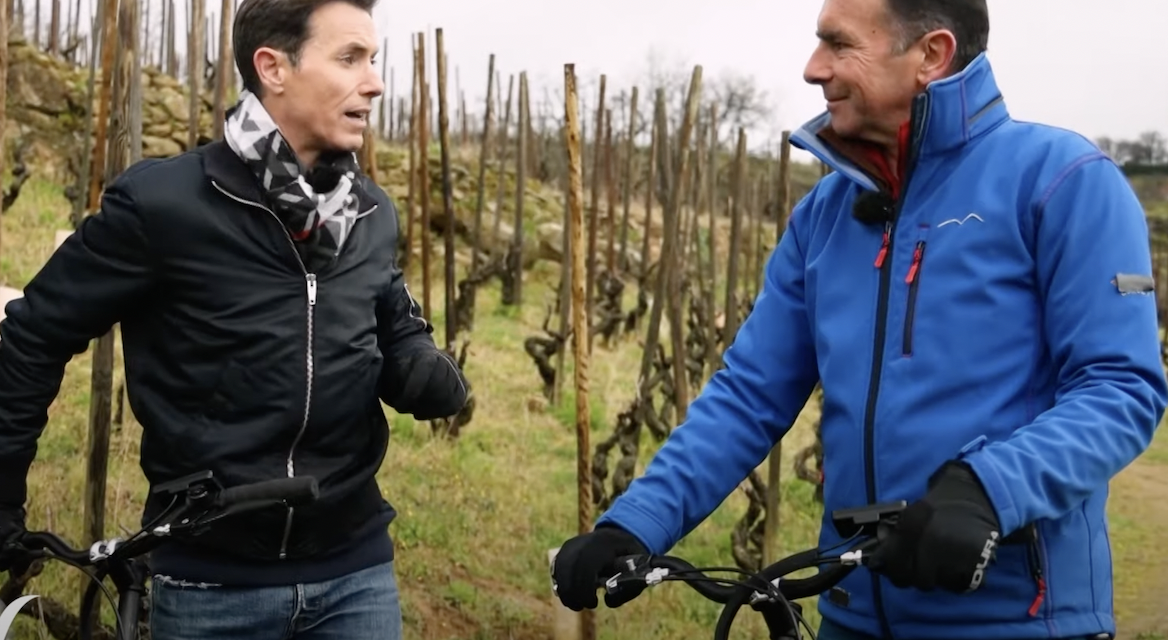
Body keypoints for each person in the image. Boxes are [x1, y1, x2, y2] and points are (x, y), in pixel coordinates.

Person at [552, 0, 1167, 638]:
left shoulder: (1062, 183)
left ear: (931, 54)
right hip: (850, 617)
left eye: (839, 45)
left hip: (1016, 619)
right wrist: (635, 523)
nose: (813, 69)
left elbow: (1120, 388)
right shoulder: (824, 214)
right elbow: (749, 394)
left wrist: (988, 489)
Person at [0, 0, 466, 638]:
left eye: (374, 60)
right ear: (273, 67)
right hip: (209, 582)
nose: (375, 82)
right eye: (350, 58)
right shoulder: (165, 206)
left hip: (356, 574)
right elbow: (32, 334)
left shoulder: (369, 213)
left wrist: (417, 362)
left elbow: (393, 319)